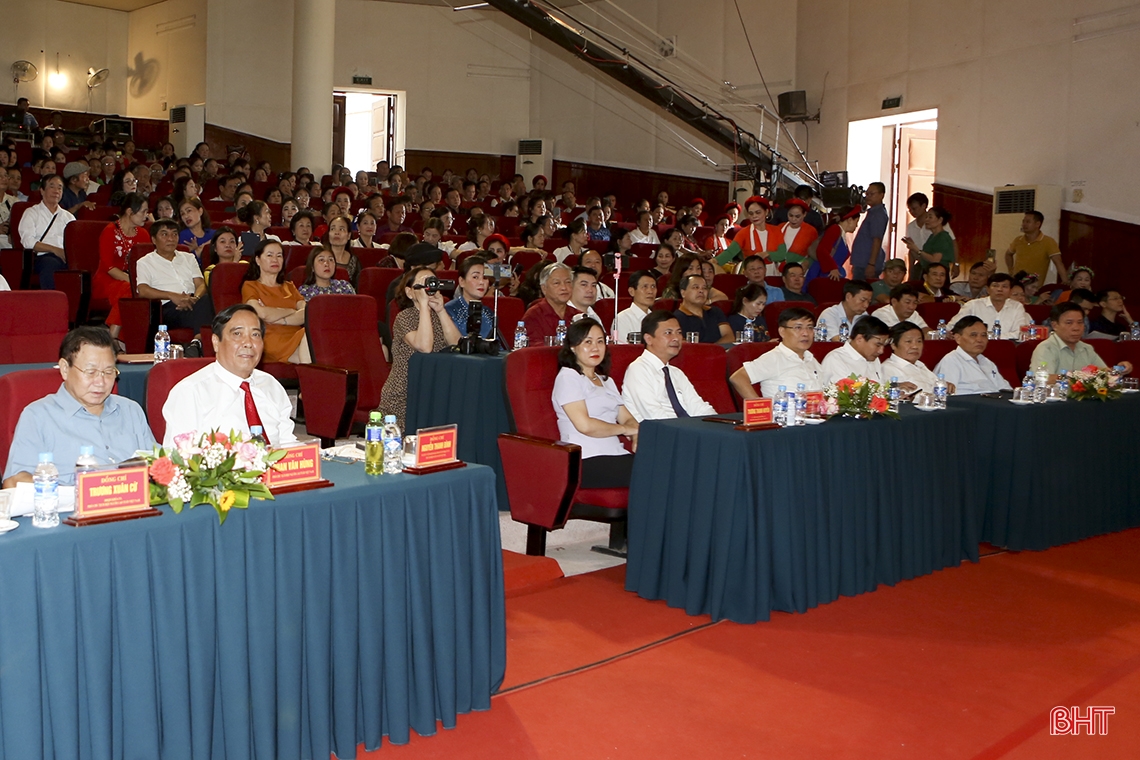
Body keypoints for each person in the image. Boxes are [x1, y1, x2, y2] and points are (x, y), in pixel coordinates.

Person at [3, 327, 155, 488]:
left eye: (109, 372)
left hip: (134, 508)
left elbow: (159, 466)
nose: (101, 382)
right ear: (64, 369)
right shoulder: (37, 416)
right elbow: (14, 483)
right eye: (91, 372)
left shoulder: (131, 410)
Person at [162, 304, 298, 447]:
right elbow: (177, 458)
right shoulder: (190, 392)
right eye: (237, 334)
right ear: (216, 342)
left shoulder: (271, 385)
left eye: (255, 335)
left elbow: (288, 443)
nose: (248, 343)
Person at [552, 318, 637, 488]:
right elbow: (585, 426)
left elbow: (628, 418)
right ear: (573, 347)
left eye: (600, 341)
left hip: (615, 453)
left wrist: (635, 434)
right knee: (655, 471)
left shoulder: (606, 381)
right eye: (587, 342)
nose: (595, 348)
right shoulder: (568, 377)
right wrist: (625, 429)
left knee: (665, 464)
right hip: (585, 458)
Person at [379, 267, 462, 429]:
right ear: (410, 292)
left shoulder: (439, 316)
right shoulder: (404, 317)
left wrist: (440, 310)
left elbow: (456, 345)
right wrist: (424, 306)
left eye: (431, 282)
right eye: (423, 283)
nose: (428, 287)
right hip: (404, 392)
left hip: (431, 390)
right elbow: (425, 347)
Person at [621, 310, 717, 421]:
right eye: (668, 333)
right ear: (648, 339)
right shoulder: (639, 370)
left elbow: (699, 407)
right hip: (662, 434)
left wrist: (716, 425)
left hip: (686, 430)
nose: (676, 338)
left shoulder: (676, 373)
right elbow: (655, 416)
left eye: (679, 332)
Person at [135, 218, 213, 347]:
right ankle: (200, 342)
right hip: (166, 308)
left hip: (194, 302)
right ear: (154, 239)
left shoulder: (188, 257)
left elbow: (200, 284)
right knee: (208, 309)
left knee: (208, 299)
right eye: (165, 234)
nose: (171, 238)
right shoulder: (145, 262)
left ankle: (197, 342)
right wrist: (172, 296)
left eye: (174, 234)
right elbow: (143, 290)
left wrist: (195, 298)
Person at [730, 307, 824, 399]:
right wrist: (761, 408)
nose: (806, 333)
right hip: (785, 413)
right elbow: (738, 378)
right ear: (782, 331)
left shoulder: (810, 359)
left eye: (810, 327)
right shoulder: (774, 358)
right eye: (798, 327)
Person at [95, 193, 151, 345]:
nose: (146, 216)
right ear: (129, 212)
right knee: (129, 290)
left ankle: (126, 341)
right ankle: (112, 338)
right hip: (107, 279)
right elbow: (108, 267)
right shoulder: (110, 231)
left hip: (132, 279)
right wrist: (133, 281)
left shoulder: (144, 234)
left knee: (136, 291)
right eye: (143, 212)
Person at [240, 240, 309, 364]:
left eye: (279, 255)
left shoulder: (289, 286)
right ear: (258, 260)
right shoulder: (250, 286)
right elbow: (262, 314)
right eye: (269, 255)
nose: (275, 259)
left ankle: (312, 381)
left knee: (314, 340)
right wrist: (291, 311)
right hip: (271, 338)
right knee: (314, 347)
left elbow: (306, 313)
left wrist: (279, 318)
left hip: (297, 335)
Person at [1031, 302, 1132, 380]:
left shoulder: (1086, 348)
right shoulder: (1046, 348)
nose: (1076, 328)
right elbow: (1042, 378)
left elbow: (1103, 373)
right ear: (1055, 325)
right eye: (1069, 323)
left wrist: (1119, 370)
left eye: (1080, 322)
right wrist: (1079, 376)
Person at [18, 174, 74, 290]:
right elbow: (28, 241)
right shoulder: (31, 213)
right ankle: (52, 303)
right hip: (42, 257)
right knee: (50, 263)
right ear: (42, 190)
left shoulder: (69, 217)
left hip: (66, 257)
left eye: (60, 187)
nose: (56, 191)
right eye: (51, 186)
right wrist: (55, 250)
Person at [933, 316, 1012, 394]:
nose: (980, 340)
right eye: (973, 335)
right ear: (958, 338)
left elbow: (1005, 389)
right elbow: (947, 396)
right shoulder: (951, 361)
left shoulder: (987, 362)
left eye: (984, 335)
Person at [821, 316, 898, 386]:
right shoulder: (836, 359)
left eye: (883, 345)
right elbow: (840, 396)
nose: (881, 351)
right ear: (859, 339)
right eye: (878, 345)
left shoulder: (874, 359)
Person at [948, 273, 1029, 338]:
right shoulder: (973, 305)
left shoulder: (1017, 306)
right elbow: (952, 327)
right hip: (975, 347)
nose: (999, 289)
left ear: (1010, 291)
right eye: (995, 286)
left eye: (1004, 286)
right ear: (987, 289)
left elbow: (1021, 332)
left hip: (1006, 348)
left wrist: (990, 337)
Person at [882, 321, 952, 394]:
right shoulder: (888, 368)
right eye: (908, 341)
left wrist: (945, 386)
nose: (915, 346)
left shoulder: (920, 365)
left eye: (919, 341)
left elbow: (936, 387)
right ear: (893, 345)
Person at [522, 262, 580, 345]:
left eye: (568, 282)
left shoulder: (578, 316)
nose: (564, 287)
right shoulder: (534, 315)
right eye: (557, 283)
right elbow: (534, 350)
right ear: (544, 288)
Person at [1004, 210, 1066, 285]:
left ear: (1037, 224)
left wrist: (1065, 281)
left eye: (1028, 222)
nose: (1024, 224)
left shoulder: (1048, 241)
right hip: (1017, 284)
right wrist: (1011, 271)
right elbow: (1008, 254)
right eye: (1023, 221)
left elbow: (1058, 262)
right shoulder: (1018, 240)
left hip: (1034, 286)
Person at [672, 274, 732, 344]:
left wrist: (713, 350)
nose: (701, 291)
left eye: (704, 288)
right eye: (696, 287)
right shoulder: (676, 318)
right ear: (683, 293)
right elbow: (683, 344)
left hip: (718, 353)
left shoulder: (715, 311)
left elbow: (729, 336)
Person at [444, 255, 494, 339]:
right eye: (475, 277)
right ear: (462, 281)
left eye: (485, 277)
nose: (481, 282)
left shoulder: (488, 312)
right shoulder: (449, 310)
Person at [851, 182, 888, 281]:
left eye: (872, 194)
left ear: (881, 195)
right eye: (867, 194)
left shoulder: (878, 214)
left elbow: (877, 240)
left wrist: (871, 264)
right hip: (862, 262)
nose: (868, 197)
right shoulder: (872, 212)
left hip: (867, 263)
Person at [769, 198, 819, 268]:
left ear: (804, 214)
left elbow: (816, 254)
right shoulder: (780, 227)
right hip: (777, 269)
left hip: (799, 270)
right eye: (790, 215)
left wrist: (807, 263)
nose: (793, 219)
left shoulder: (811, 231)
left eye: (797, 216)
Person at [614, 269, 658, 343]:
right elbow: (621, 350)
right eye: (645, 286)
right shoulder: (622, 319)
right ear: (632, 291)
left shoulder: (657, 318)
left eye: (653, 286)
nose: (650, 291)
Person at [322, 214, 361, 287]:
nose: (337, 233)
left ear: (349, 235)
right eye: (333, 229)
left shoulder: (354, 261)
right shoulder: (318, 256)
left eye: (341, 229)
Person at [177, 197, 213, 262]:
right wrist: (197, 251)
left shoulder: (213, 234)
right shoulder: (183, 236)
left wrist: (199, 248)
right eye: (182, 214)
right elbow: (184, 262)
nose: (186, 216)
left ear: (200, 211)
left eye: (189, 211)